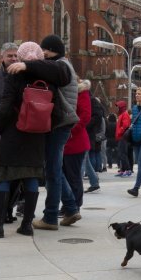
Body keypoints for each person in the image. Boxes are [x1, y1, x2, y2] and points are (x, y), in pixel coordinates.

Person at [0, 42, 59, 238]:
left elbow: (6, 105)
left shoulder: (15, 75)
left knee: (3, 175)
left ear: (20, 57)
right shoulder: (48, 76)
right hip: (37, 135)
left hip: (13, 132)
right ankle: (26, 225)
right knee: (31, 177)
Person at [7, 34, 75, 231]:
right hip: (61, 123)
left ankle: (51, 217)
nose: (41, 55)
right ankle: (70, 208)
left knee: (52, 171)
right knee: (54, 169)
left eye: (44, 51)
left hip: (59, 123)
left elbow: (53, 70)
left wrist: (28, 66)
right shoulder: (60, 64)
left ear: (50, 50)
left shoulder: (62, 65)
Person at [58, 79, 92, 226]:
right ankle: (68, 205)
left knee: (73, 177)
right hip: (64, 142)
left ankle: (75, 206)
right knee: (64, 176)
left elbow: (85, 116)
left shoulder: (81, 91)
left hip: (75, 142)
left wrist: (70, 131)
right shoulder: (63, 91)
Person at [84, 92, 106, 193]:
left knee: (83, 159)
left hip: (87, 133)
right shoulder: (88, 99)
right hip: (87, 133)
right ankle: (94, 183)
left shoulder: (91, 100)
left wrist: (85, 124)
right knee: (85, 160)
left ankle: (76, 185)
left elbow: (98, 116)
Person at [114, 100, 132, 177]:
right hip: (121, 137)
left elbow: (125, 125)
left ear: (121, 107)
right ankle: (123, 170)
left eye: (118, 106)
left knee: (123, 154)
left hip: (122, 137)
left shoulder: (124, 114)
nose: (117, 108)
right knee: (121, 154)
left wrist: (119, 132)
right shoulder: (122, 114)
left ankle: (127, 170)